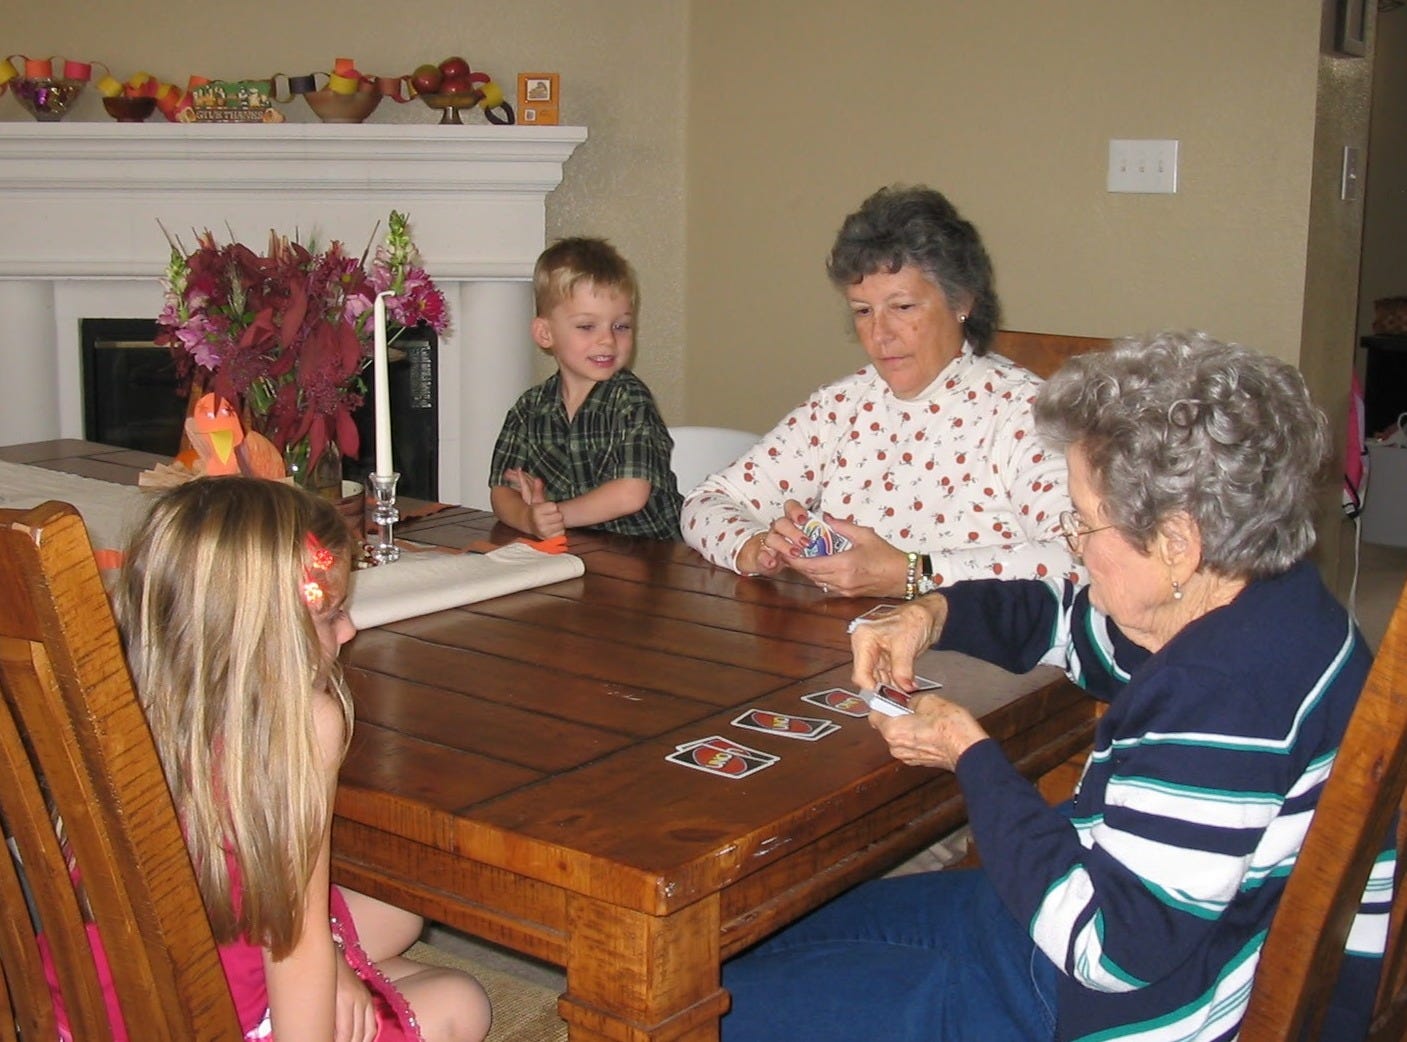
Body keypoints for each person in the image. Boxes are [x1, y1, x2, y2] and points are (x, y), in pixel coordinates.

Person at [721, 331, 1391, 1041]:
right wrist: (933, 611)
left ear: (1175, 543)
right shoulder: (1263, 601)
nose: (1072, 542)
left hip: (1104, 1007)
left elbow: (1109, 951)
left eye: (1083, 521)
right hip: (1072, 924)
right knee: (748, 947)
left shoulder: (1219, 698)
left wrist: (967, 754)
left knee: (720, 1013)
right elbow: (1073, 626)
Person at [113, 477, 491, 1042]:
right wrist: (320, 962)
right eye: (329, 613)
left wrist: (336, 961)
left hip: (112, 987)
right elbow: (293, 942)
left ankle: (347, 969)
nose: (349, 627)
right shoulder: (304, 722)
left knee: (399, 907)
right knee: (462, 1002)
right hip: (209, 1012)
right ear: (261, 634)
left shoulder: (132, 693)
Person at [681, 184, 1076, 598]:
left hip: (966, 649)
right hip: (840, 643)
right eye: (863, 311)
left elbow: (1080, 557)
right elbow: (707, 501)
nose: (879, 335)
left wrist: (914, 573)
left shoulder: (1026, 413)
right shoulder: (840, 407)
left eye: (903, 307)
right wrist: (754, 546)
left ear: (962, 301)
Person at [489, 236, 682, 540]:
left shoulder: (630, 399)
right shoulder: (529, 408)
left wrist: (557, 514)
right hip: (575, 551)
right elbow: (502, 490)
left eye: (621, 326)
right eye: (587, 326)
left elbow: (631, 493)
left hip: (650, 556)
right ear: (545, 333)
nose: (607, 340)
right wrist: (530, 519)